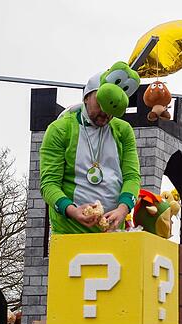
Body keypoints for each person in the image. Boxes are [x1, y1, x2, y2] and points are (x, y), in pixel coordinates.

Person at [40, 64, 141, 234]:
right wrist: (72, 210)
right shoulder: (60, 130)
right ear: (86, 97)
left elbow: (132, 177)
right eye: (100, 102)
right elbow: (49, 184)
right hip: (70, 233)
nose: (106, 112)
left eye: (111, 108)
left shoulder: (123, 130)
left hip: (113, 234)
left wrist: (123, 209)